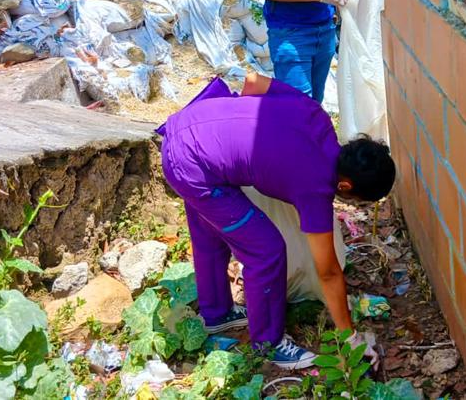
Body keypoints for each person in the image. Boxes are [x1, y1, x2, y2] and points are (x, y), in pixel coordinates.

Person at [156, 72, 396, 369]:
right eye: (357, 200)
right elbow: (328, 272)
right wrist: (349, 335)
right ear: (346, 187)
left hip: (188, 128)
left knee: (210, 232)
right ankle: (268, 344)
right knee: (266, 251)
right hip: (193, 167)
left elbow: (253, 80)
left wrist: (241, 141)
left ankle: (216, 314)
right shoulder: (316, 185)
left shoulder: (316, 115)